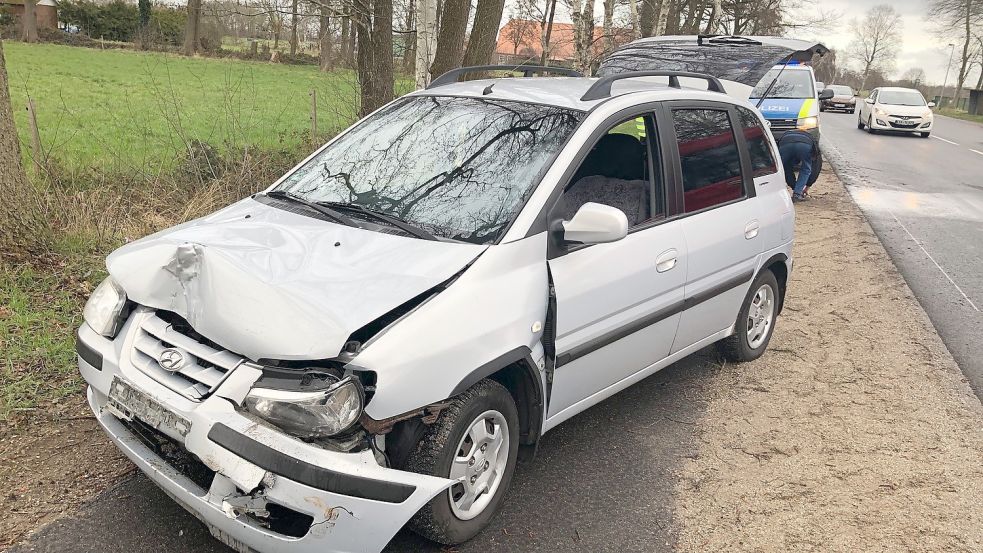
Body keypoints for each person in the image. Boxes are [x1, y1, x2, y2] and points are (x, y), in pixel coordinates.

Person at [778, 129, 818, 202]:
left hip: (786, 143)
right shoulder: (812, 140)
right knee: (806, 169)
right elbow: (815, 168)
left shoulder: (787, 134)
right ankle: (797, 194)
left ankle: (774, 193)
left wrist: (794, 186)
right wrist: (807, 187)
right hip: (805, 146)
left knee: (781, 167)